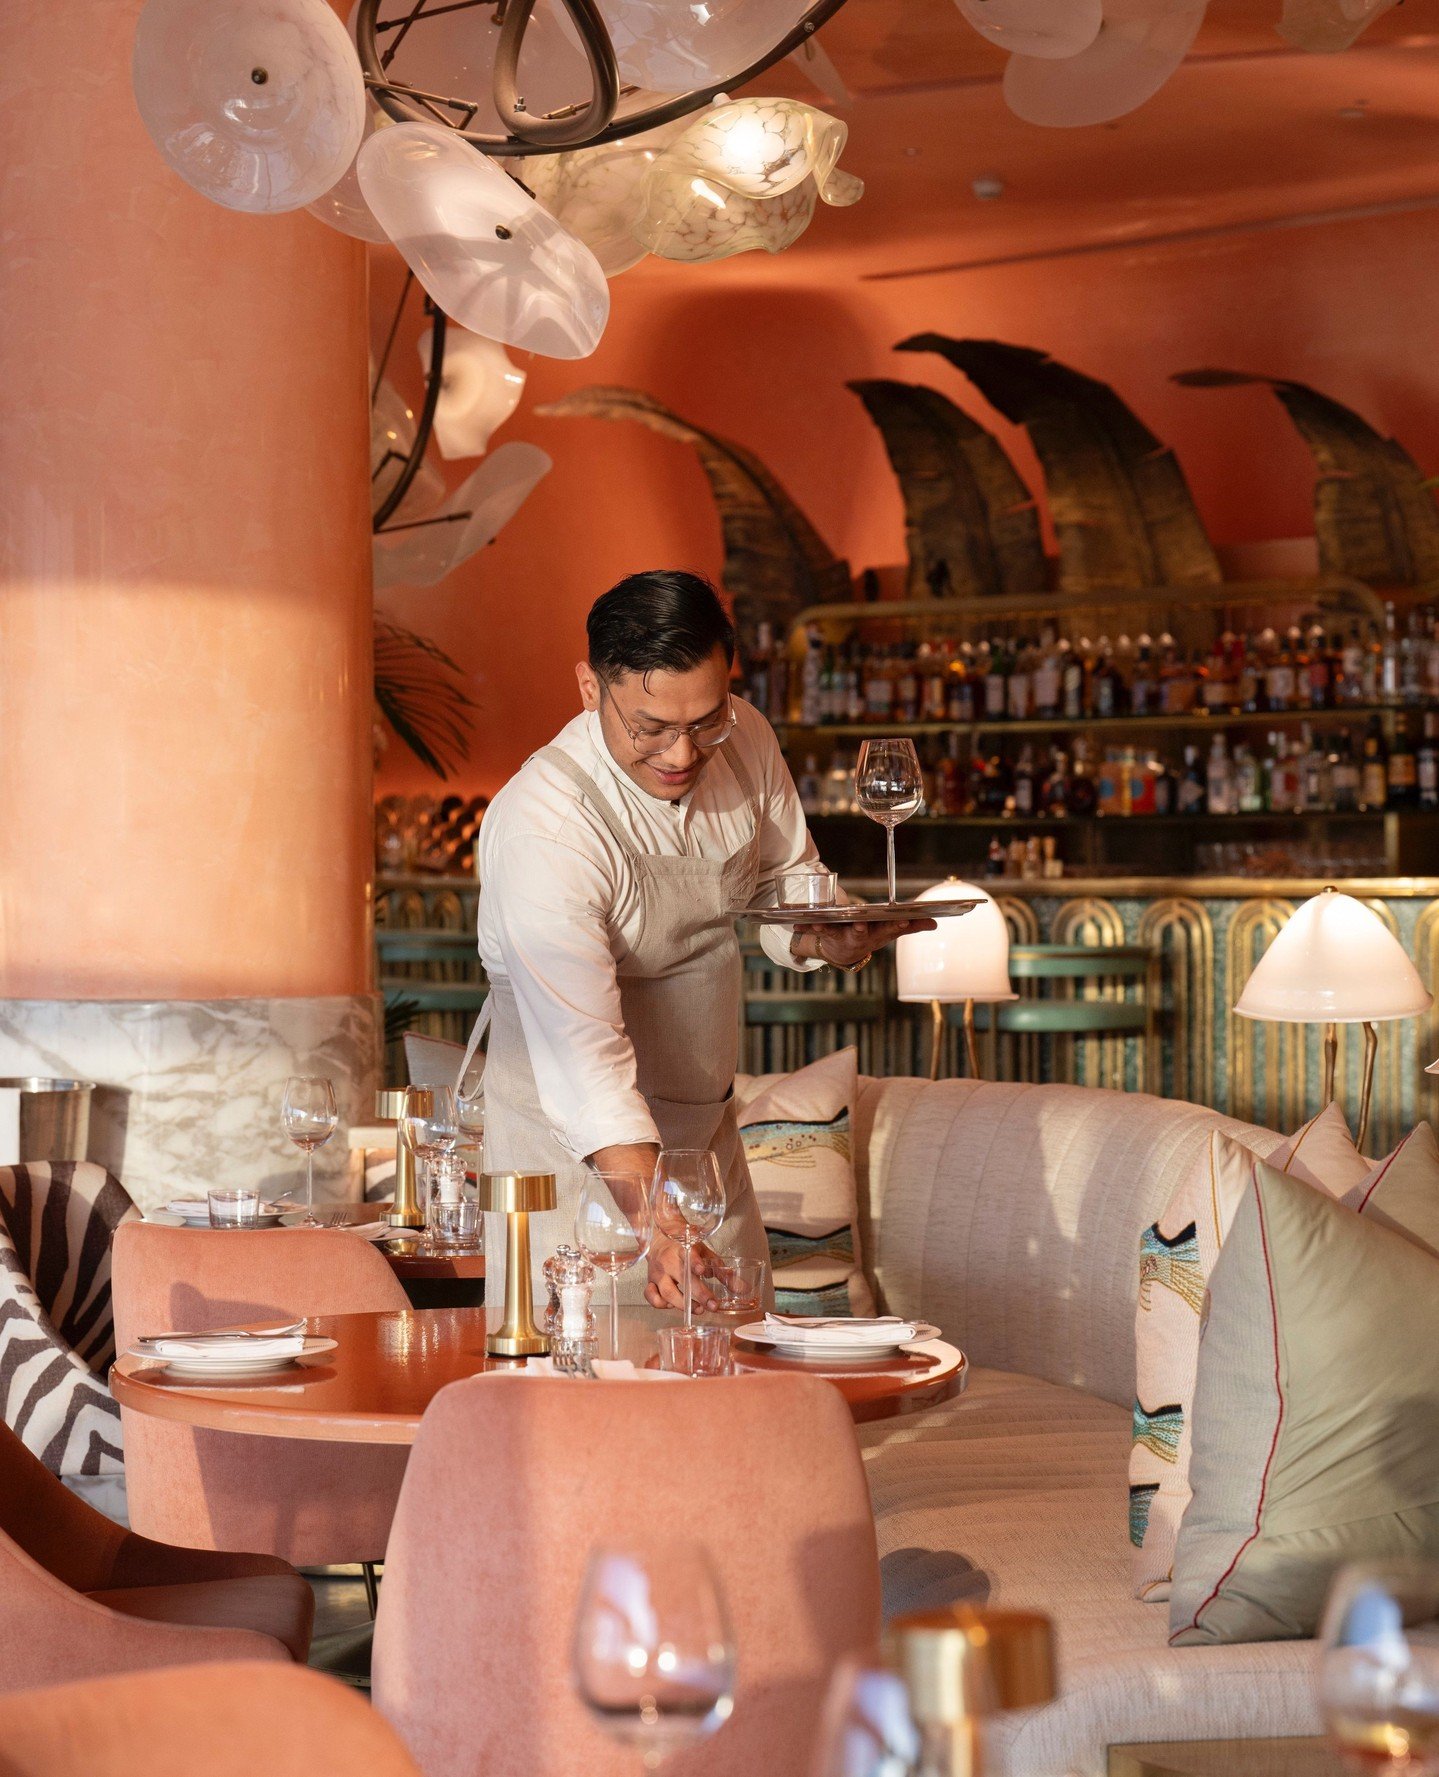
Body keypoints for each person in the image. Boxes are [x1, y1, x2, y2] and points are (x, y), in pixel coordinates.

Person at [467, 570, 931, 1309]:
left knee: (740, 1391)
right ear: (590, 689)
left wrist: (827, 937)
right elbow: (586, 1069)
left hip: (707, 1151)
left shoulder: (742, 739)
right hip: (572, 1167)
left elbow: (784, 878)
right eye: (649, 727)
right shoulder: (546, 827)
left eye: (703, 721)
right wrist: (659, 1226)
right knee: (588, 1410)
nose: (682, 754)